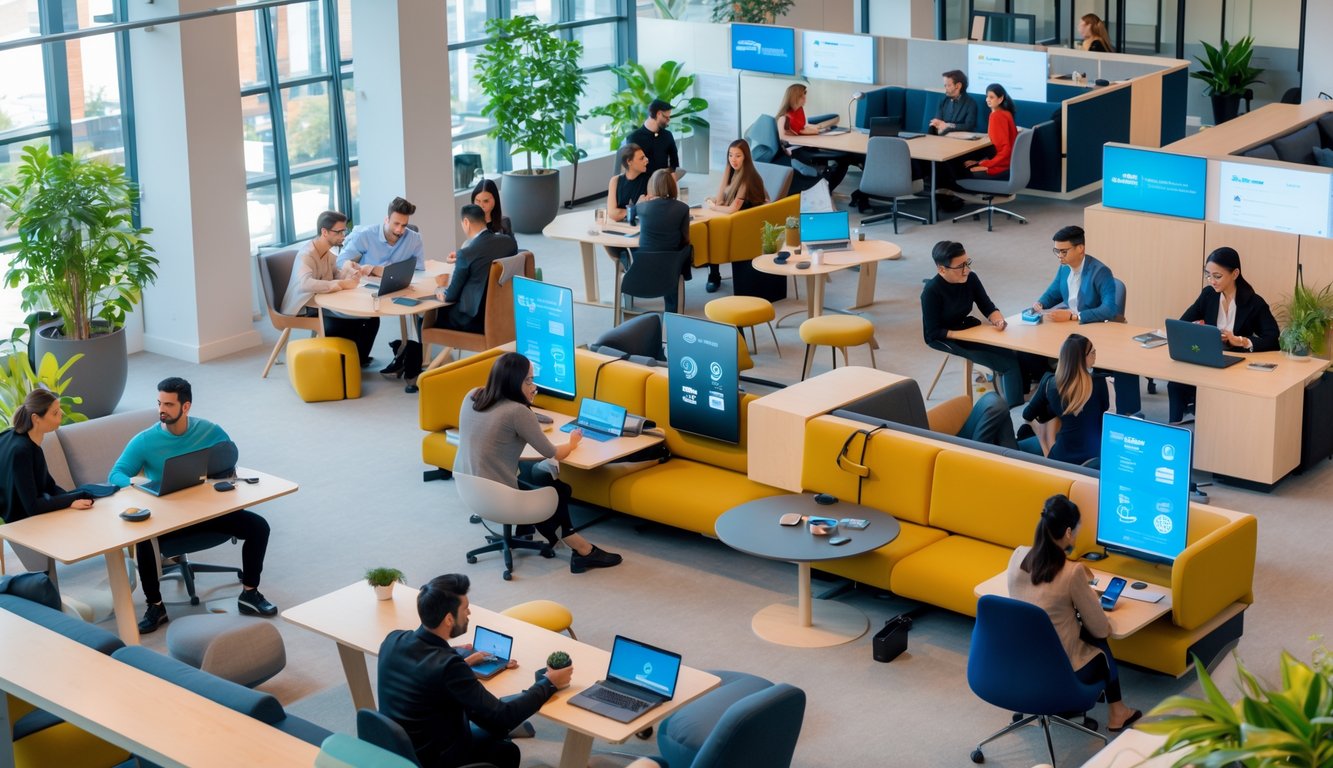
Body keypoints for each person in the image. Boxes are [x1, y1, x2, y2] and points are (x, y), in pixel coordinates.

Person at [109, 377, 276, 632]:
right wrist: (138, 487)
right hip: (169, 517)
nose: (161, 410)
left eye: (168, 404)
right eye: (159, 403)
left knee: (259, 527)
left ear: (186, 407)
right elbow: (116, 474)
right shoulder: (145, 440)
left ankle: (249, 594)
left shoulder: (210, 431)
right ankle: (156, 606)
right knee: (143, 538)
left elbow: (228, 459)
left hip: (207, 511)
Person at [378, 573, 571, 768]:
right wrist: (548, 682)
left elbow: (423, 664)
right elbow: (502, 717)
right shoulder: (449, 668)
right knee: (506, 750)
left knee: (485, 721)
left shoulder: (394, 639)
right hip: (436, 759)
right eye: (465, 609)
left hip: (402, 751)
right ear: (448, 619)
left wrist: (458, 655)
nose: (469, 613)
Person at [454, 352, 621, 573]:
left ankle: (526, 529)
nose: (534, 387)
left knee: (529, 471)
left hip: (468, 489)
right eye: (528, 381)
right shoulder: (518, 412)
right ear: (513, 382)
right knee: (558, 490)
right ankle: (582, 549)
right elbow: (552, 453)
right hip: (498, 497)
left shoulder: (473, 396)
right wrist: (572, 442)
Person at [1007, 495, 1141, 732]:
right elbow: (1101, 628)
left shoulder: (1018, 556)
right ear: (1068, 532)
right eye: (1077, 529)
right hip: (1058, 672)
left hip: (1020, 664)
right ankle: (1117, 712)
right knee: (1099, 641)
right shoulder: (1071, 573)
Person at [1032, 225, 1141, 415]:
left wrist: (1074, 316)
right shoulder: (1064, 269)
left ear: (1080, 248)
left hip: (1095, 329)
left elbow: (1109, 309)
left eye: (1063, 251)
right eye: (1056, 251)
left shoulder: (1100, 272)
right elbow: (1054, 292)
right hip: (1071, 329)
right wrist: (1039, 304)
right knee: (1033, 348)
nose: (1059, 255)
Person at [1168, 247, 1279, 423]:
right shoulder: (1208, 295)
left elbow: (1273, 338)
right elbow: (1182, 323)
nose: (1211, 281)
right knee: (1175, 383)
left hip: (1237, 364)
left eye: (1217, 276)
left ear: (1235, 274)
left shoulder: (1254, 303)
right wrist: (1200, 331)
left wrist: (1241, 341)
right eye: (1208, 275)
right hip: (1210, 358)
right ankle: (1174, 427)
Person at [920, 241, 1028, 408]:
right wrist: (968, 336)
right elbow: (933, 332)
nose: (967, 270)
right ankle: (1016, 411)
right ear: (942, 269)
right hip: (943, 337)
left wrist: (998, 319)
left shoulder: (971, 278)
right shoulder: (930, 292)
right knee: (1008, 365)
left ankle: (1016, 395)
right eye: (960, 266)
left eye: (967, 263)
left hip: (965, 328)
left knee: (1012, 352)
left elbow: (987, 305)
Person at [280, 210, 380, 366]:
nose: (343, 235)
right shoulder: (306, 254)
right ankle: (342, 364)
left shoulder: (328, 254)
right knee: (345, 321)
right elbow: (305, 283)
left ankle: (357, 360)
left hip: (322, 302)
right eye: (338, 232)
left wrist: (349, 272)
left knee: (371, 317)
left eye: (344, 231)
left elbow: (335, 275)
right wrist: (340, 284)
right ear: (324, 232)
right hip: (305, 306)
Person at [0, 389, 94, 524]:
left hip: (32, 517)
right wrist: (73, 499)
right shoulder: (21, 451)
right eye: (55, 412)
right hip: (22, 526)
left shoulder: (18, 438)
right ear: (36, 418)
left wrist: (72, 498)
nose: (61, 413)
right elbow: (33, 507)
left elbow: (48, 486)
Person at [1021, 334, 1109, 466]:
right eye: (1092, 352)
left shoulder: (1049, 384)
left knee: (1023, 438)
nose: (1095, 354)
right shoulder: (1101, 383)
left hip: (1060, 458)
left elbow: (1027, 415)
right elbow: (1105, 420)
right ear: (1080, 359)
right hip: (1095, 456)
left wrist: (1044, 440)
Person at [432, 204, 518, 333]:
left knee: (427, 316)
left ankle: (417, 352)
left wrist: (441, 289)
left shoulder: (466, 253)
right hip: (504, 314)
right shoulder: (508, 242)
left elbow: (450, 296)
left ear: (466, 222)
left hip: (474, 320)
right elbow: (486, 255)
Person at [703, 140, 769, 293]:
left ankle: (714, 275)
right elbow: (722, 199)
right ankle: (713, 274)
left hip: (748, 226)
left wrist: (714, 207)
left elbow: (733, 209)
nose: (733, 159)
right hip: (738, 221)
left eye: (738, 156)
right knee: (713, 227)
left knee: (714, 231)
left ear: (746, 157)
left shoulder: (747, 177)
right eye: (730, 155)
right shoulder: (735, 173)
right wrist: (726, 172)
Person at [634, 168, 692, 312]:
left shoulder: (641, 207)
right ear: (673, 186)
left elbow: (631, 219)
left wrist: (638, 203)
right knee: (682, 251)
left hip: (643, 264)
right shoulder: (683, 208)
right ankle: (673, 312)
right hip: (670, 266)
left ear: (652, 186)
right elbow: (685, 239)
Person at [775, 83, 851, 191]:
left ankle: (825, 189)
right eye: (802, 96)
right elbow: (785, 140)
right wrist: (807, 133)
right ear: (795, 97)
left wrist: (811, 131)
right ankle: (825, 190)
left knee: (844, 158)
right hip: (798, 152)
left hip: (806, 147)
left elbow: (801, 128)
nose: (805, 98)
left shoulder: (799, 111)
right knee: (844, 158)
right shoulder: (784, 118)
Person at [339, 196, 426, 276]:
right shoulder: (366, 235)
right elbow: (340, 262)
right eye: (396, 224)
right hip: (367, 286)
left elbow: (419, 270)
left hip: (399, 287)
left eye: (404, 225)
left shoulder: (415, 239)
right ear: (387, 220)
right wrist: (366, 269)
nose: (399, 230)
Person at [963, 83, 1017, 180]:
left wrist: (986, 164)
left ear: (1000, 99)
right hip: (1008, 163)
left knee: (959, 169)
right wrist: (980, 161)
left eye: (991, 97)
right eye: (987, 96)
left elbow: (1005, 150)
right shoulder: (1006, 113)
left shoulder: (996, 116)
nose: (987, 99)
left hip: (1001, 166)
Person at [626, 99, 680, 178]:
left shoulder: (667, 135)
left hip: (662, 183)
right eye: (667, 118)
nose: (668, 121)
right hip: (642, 185)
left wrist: (670, 182)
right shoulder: (634, 138)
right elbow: (632, 169)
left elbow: (674, 164)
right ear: (659, 114)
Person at [608, 143, 650, 224]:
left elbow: (648, 213)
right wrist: (636, 209)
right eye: (642, 158)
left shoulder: (650, 181)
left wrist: (622, 212)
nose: (646, 160)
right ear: (629, 162)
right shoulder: (615, 181)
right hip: (620, 227)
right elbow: (612, 213)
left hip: (640, 226)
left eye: (645, 157)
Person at [928, 70, 978, 135]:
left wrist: (948, 125)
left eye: (948, 85)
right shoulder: (943, 100)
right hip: (941, 138)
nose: (946, 89)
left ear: (958, 86)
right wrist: (935, 124)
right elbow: (938, 122)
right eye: (945, 86)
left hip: (960, 140)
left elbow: (969, 126)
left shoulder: (971, 103)